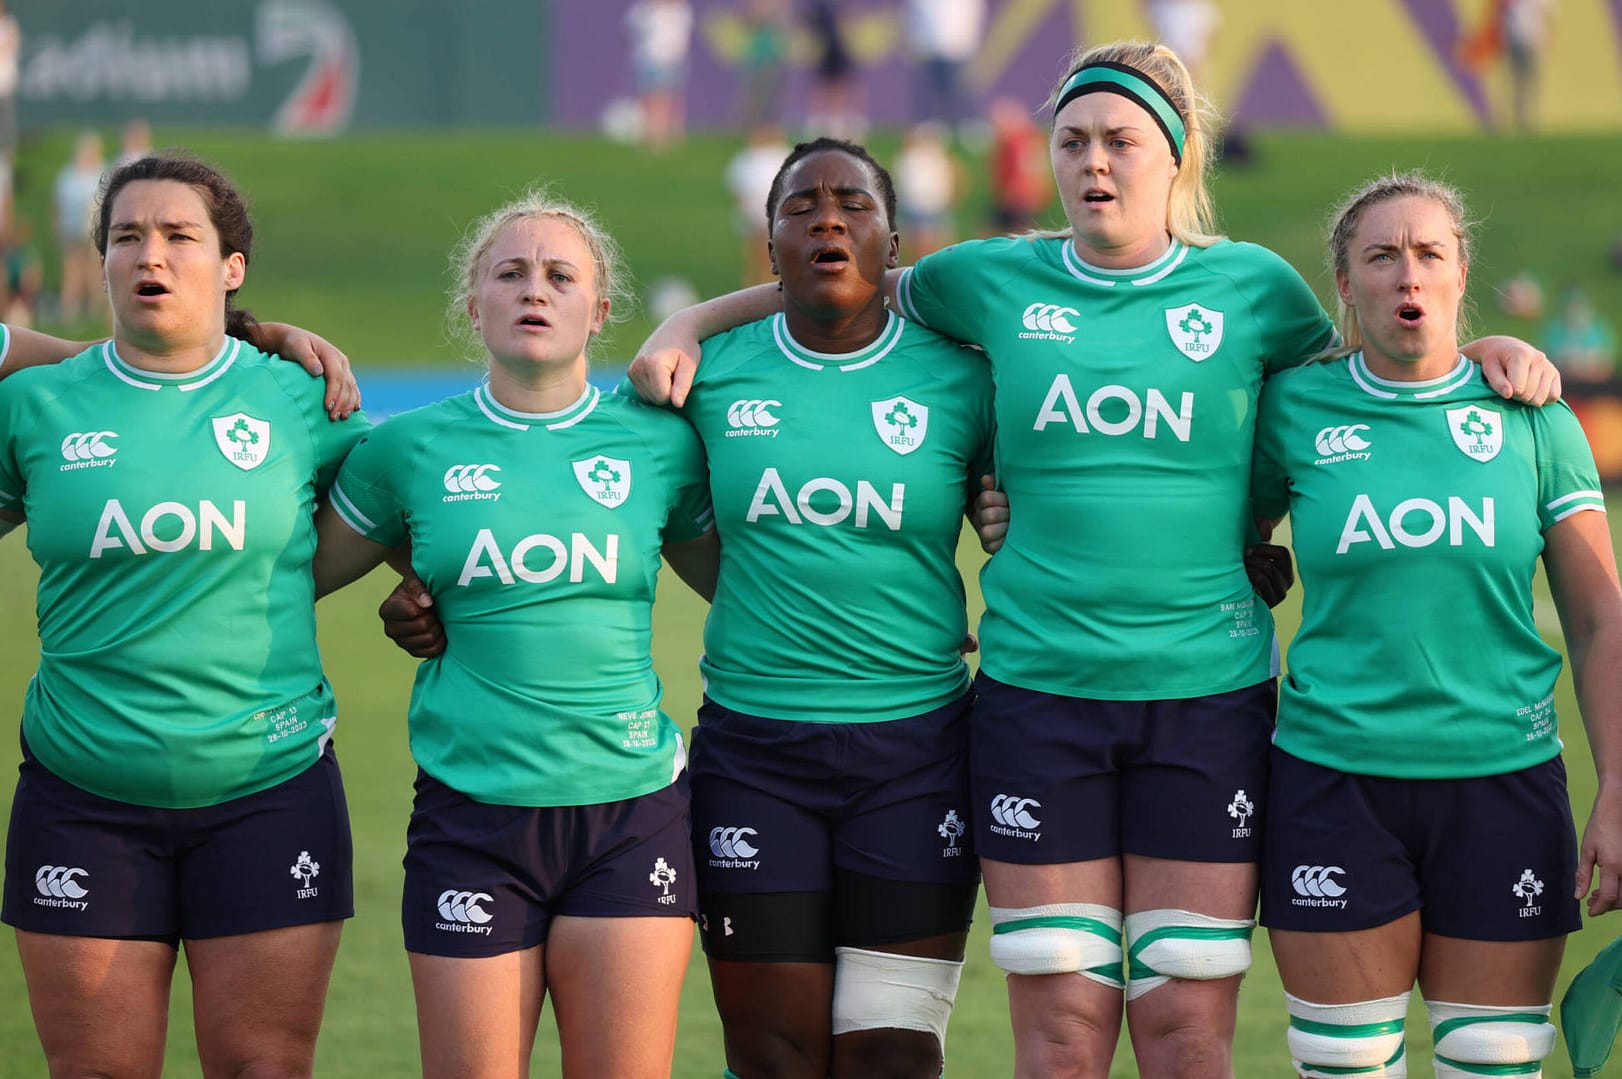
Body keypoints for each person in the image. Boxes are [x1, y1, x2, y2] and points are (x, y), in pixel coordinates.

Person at [628, 40, 1559, 1078]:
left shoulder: (1252, 289)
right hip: (1037, 702)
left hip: (1205, 704)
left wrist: (1481, 358)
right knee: (1064, 1031)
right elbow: (838, 285)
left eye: (1119, 140)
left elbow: (1365, 385)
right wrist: (691, 317)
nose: (1092, 163)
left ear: (1175, 158)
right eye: (1070, 141)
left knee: (1181, 1030)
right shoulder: (985, 277)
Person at [383, 139, 996, 1079]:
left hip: (917, 750)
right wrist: (688, 325)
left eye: (852, 204)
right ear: (768, 238)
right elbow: (527, 498)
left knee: (893, 1056)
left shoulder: (961, 373)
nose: (827, 220)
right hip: (757, 756)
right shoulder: (704, 378)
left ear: (896, 238)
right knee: (772, 1051)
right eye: (800, 207)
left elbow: (1051, 484)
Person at [310, 191, 718, 1079]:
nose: (535, 289)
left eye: (560, 275)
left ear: (599, 312)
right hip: (473, 813)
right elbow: (277, 578)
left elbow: (749, 585)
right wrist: (411, 596)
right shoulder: (406, 449)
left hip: (629, 812)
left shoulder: (662, 446)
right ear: (474, 305)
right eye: (511, 272)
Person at [0, 154, 369, 1078]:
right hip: (82, 796)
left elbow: (420, 515)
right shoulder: (35, 406)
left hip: (269, 788)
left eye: (178, 236)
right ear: (102, 261)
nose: (149, 255)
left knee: (264, 1068)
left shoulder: (302, 398)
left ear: (231, 265)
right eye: (127, 236)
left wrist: (423, 597)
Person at [1249, 171, 1622, 1079]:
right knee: (1344, 1068)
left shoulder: (1536, 417)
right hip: (1334, 784)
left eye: (1428, 253)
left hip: (1503, 785)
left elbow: (1600, 619)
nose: (1405, 275)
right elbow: (1207, 532)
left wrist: (1619, 782)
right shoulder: (1291, 409)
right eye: (1380, 256)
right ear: (1345, 284)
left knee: (1493, 1067)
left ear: (1461, 273)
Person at [52, 130, 107, 326]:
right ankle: (69, 307)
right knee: (71, 269)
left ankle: (95, 307)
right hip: (71, 229)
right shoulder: (67, 176)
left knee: (93, 268)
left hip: (93, 229)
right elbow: (58, 204)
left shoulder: (101, 172)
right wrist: (57, 225)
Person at [625, 0, 693, 152]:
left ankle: (665, 138)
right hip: (647, 59)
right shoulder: (645, 9)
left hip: (670, 60)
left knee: (666, 99)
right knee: (648, 99)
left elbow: (681, 37)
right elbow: (632, 27)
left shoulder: (680, 10)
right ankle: (649, 135)